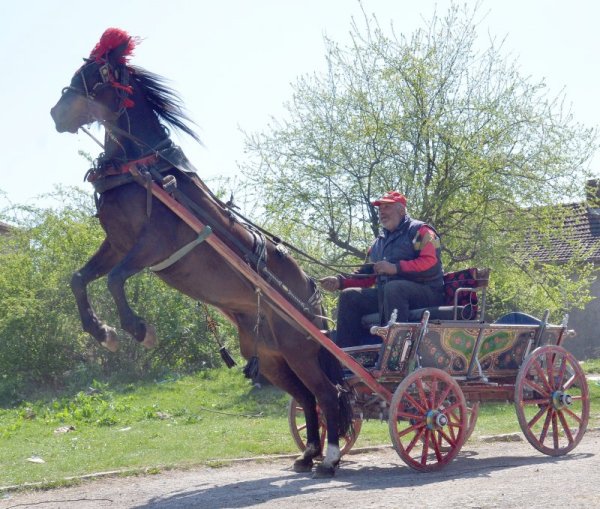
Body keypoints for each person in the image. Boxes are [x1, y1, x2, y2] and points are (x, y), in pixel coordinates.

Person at [320, 191, 445, 347]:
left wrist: (396, 268)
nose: (381, 212)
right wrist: (340, 282)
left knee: (394, 288)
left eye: (387, 207)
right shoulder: (378, 243)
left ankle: (397, 349)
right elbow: (367, 275)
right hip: (389, 296)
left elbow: (431, 263)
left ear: (401, 210)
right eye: (380, 209)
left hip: (427, 292)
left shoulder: (422, 231)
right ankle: (347, 355)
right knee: (350, 296)